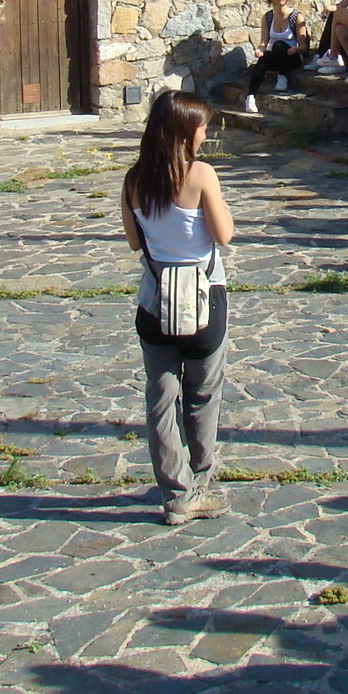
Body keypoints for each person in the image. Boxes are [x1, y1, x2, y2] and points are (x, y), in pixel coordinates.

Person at [120, 90, 235, 527]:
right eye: (202, 127)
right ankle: (201, 483)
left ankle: (175, 493)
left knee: (160, 398)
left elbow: (135, 242)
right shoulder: (201, 174)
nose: (206, 134)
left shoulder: (133, 180)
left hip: (156, 302)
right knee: (203, 395)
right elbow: (223, 235)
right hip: (204, 299)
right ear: (185, 133)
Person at [235, 0, 309, 114]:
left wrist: (295, 49)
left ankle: (282, 76)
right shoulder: (268, 17)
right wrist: (259, 50)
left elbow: (303, 47)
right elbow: (264, 42)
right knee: (266, 56)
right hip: (276, 57)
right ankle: (251, 96)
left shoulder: (296, 16)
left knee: (278, 45)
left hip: (292, 57)